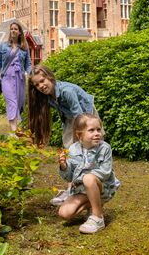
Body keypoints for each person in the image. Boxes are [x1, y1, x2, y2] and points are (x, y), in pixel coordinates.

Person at [27, 64, 101, 205]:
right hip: (70, 118)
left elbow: (80, 117)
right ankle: (73, 188)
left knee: (83, 150)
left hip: (86, 116)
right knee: (70, 151)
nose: (41, 86)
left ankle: (81, 187)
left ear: (50, 77)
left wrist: (78, 140)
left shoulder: (67, 92)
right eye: (37, 85)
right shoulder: (47, 96)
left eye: (42, 81)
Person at [57, 113, 118, 234]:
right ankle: (93, 205)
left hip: (102, 188)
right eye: (91, 130)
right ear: (79, 135)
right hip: (81, 190)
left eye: (98, 129)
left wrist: (84, 178)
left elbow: (105, 172)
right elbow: (69, 177)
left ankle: (97, 217)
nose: (97, 133)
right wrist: (64, 166)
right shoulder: (73, 149)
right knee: (64, 213)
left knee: (89, 178)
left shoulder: (105, 148)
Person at [0, 22, 32, 134]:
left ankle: (16, 129)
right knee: (12, 103)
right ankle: (15, 131)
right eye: (11, 29)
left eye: (15, 29)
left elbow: (28, 65)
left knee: (19, 104)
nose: (13, 30)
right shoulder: (3, 46)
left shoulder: (24, 48)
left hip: (20, 78)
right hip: (6, 78)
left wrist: (33, 75)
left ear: (19, 32)